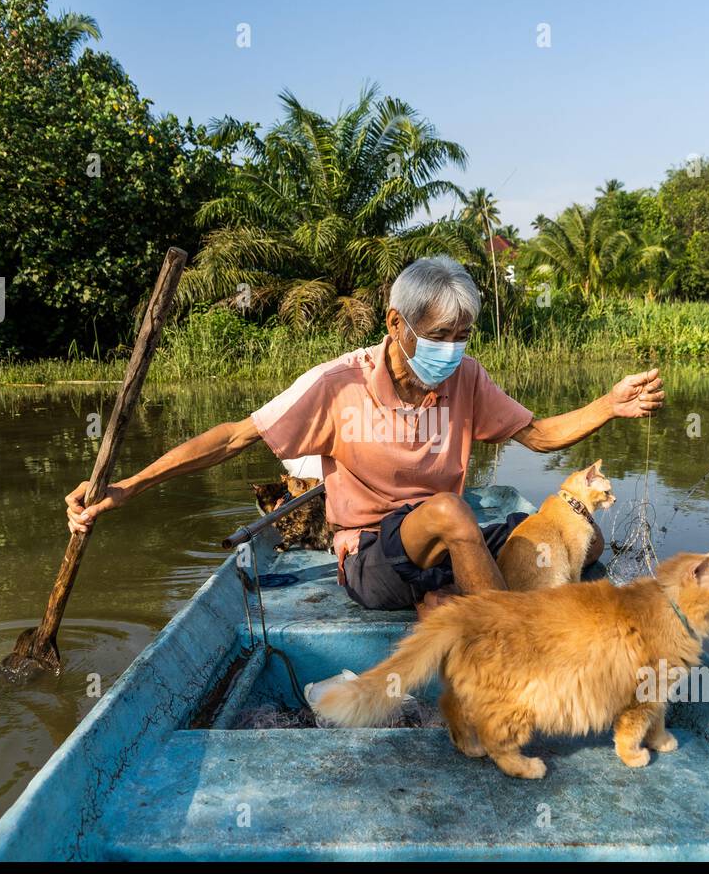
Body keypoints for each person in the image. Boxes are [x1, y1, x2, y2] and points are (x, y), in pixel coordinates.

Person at [66, 255, 664, 614]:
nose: (452, 352)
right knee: (454, 512)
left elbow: (536, 434)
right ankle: (500, 643)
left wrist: (609, 405)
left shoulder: (468, 378)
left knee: (569, 538)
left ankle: (449, 602)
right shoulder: (339, 383)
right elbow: (233, 438)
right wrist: (127, 488)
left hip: (438, 547)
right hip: (374, 559)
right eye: (440, 337)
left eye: (463, 337)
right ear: (396, 324)